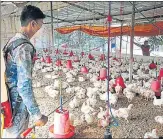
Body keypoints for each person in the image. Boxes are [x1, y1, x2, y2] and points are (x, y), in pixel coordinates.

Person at [2, 5, 48, 138]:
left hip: (7, 100)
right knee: (17, 135)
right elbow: (23, 86)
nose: (40, 29)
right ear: (33, 24)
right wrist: (37, 115)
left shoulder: (11, 42)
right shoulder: (24, 47)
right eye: (40, 25)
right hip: (17, 106)